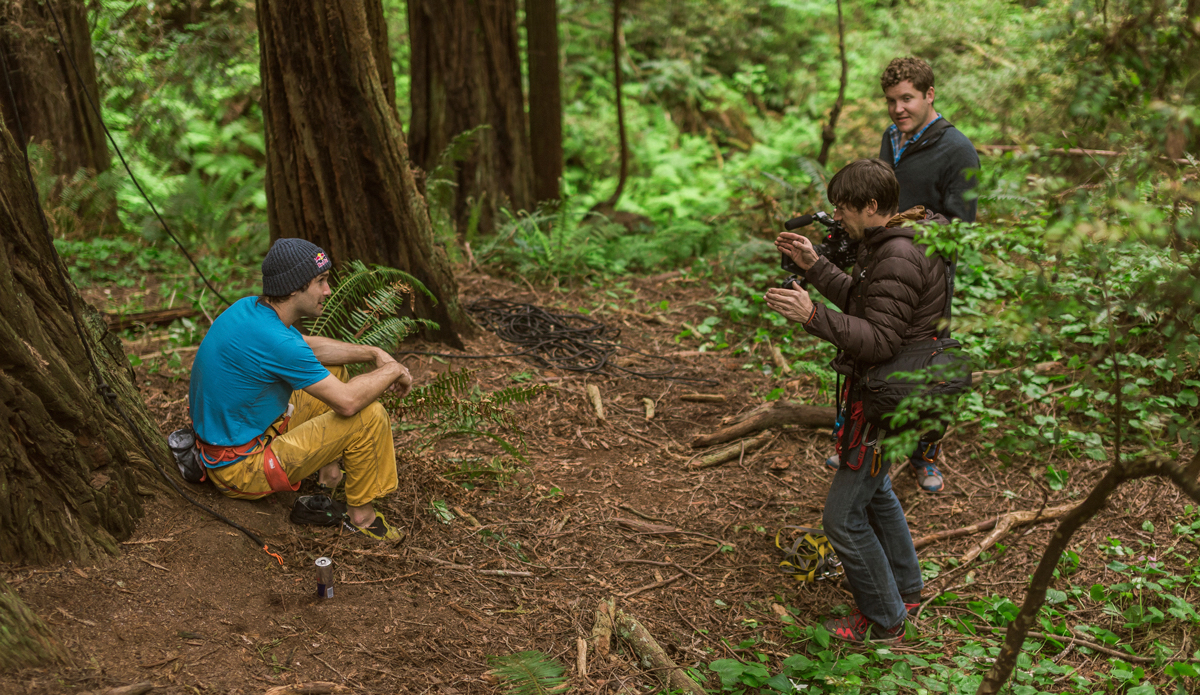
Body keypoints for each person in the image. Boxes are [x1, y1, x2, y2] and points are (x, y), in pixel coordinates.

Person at [765, 159, 947, 643]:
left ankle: (886, 619)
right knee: (877, 490)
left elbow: (882, 339)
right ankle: (906, 588)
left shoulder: (897, 256)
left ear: (871, 206)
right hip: (898, 391)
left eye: (843, 209)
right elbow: (867, 302)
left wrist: (812, 317)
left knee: (842, 518)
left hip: (890, 393)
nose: (838, 218)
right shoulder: (894, 243)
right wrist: (814, 265)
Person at [188, 238, 413, 541]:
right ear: (294, 287)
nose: (328, 290)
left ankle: (328, 476)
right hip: (240, 470)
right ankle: (361, 519)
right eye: (320, 281)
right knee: (368, 415)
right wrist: (393, 369)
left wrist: (371, 352)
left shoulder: (250, 309)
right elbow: (347, 403)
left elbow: (304, 348)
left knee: (334, 371)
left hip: (239, 436)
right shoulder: (276, 342)